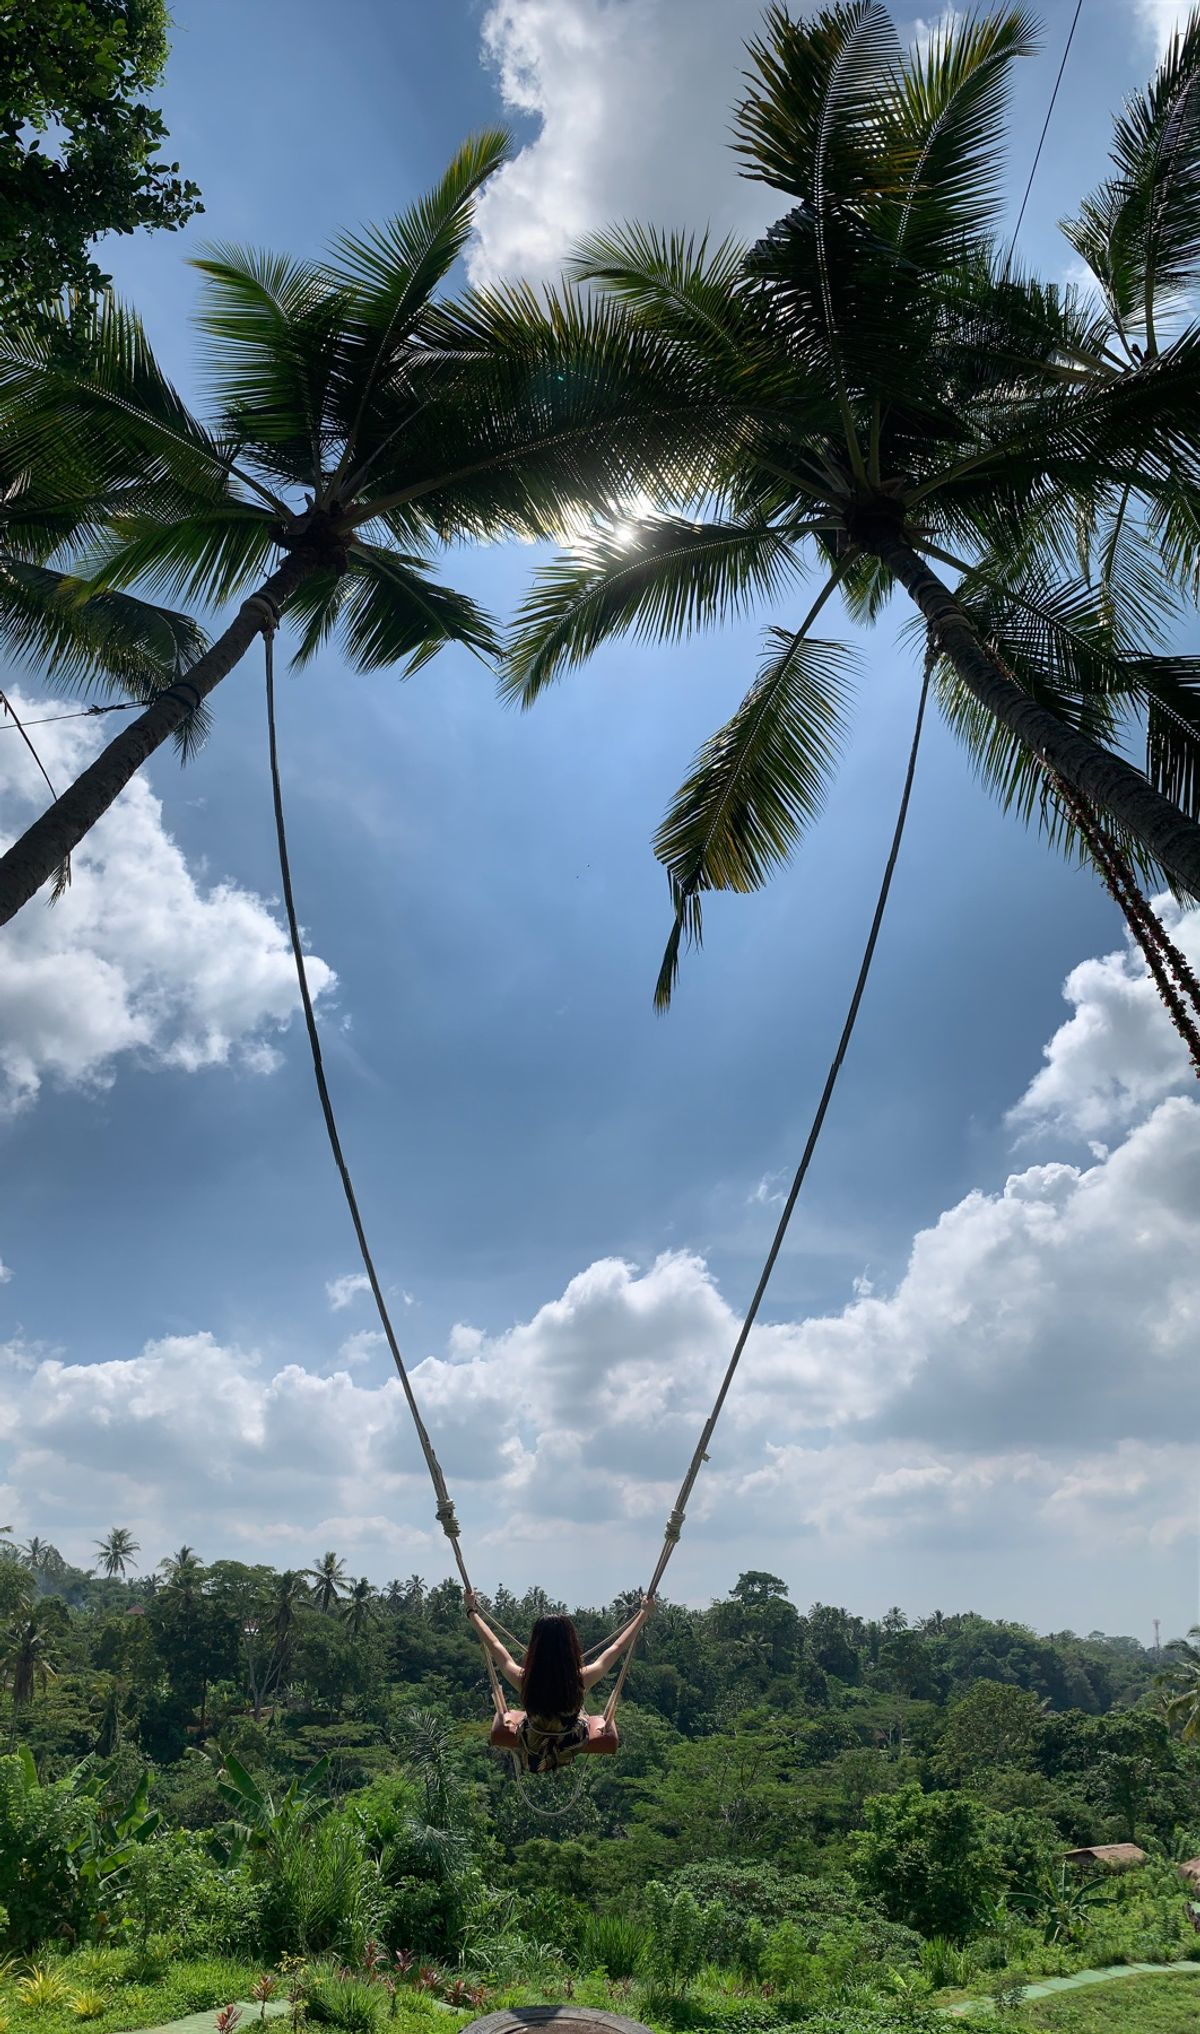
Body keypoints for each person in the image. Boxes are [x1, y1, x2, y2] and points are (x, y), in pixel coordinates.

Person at [465, 1593, 654, 1773]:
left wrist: (471, 1612)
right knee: (578, 1720)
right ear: (570, 1645)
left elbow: (495, 1645)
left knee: (522, 1719)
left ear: (536, 1646)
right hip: (571, 1743)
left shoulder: (525, 1681)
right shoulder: (580, 1680)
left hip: (533, 1743)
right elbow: (617, 1647)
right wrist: (643, 1614)